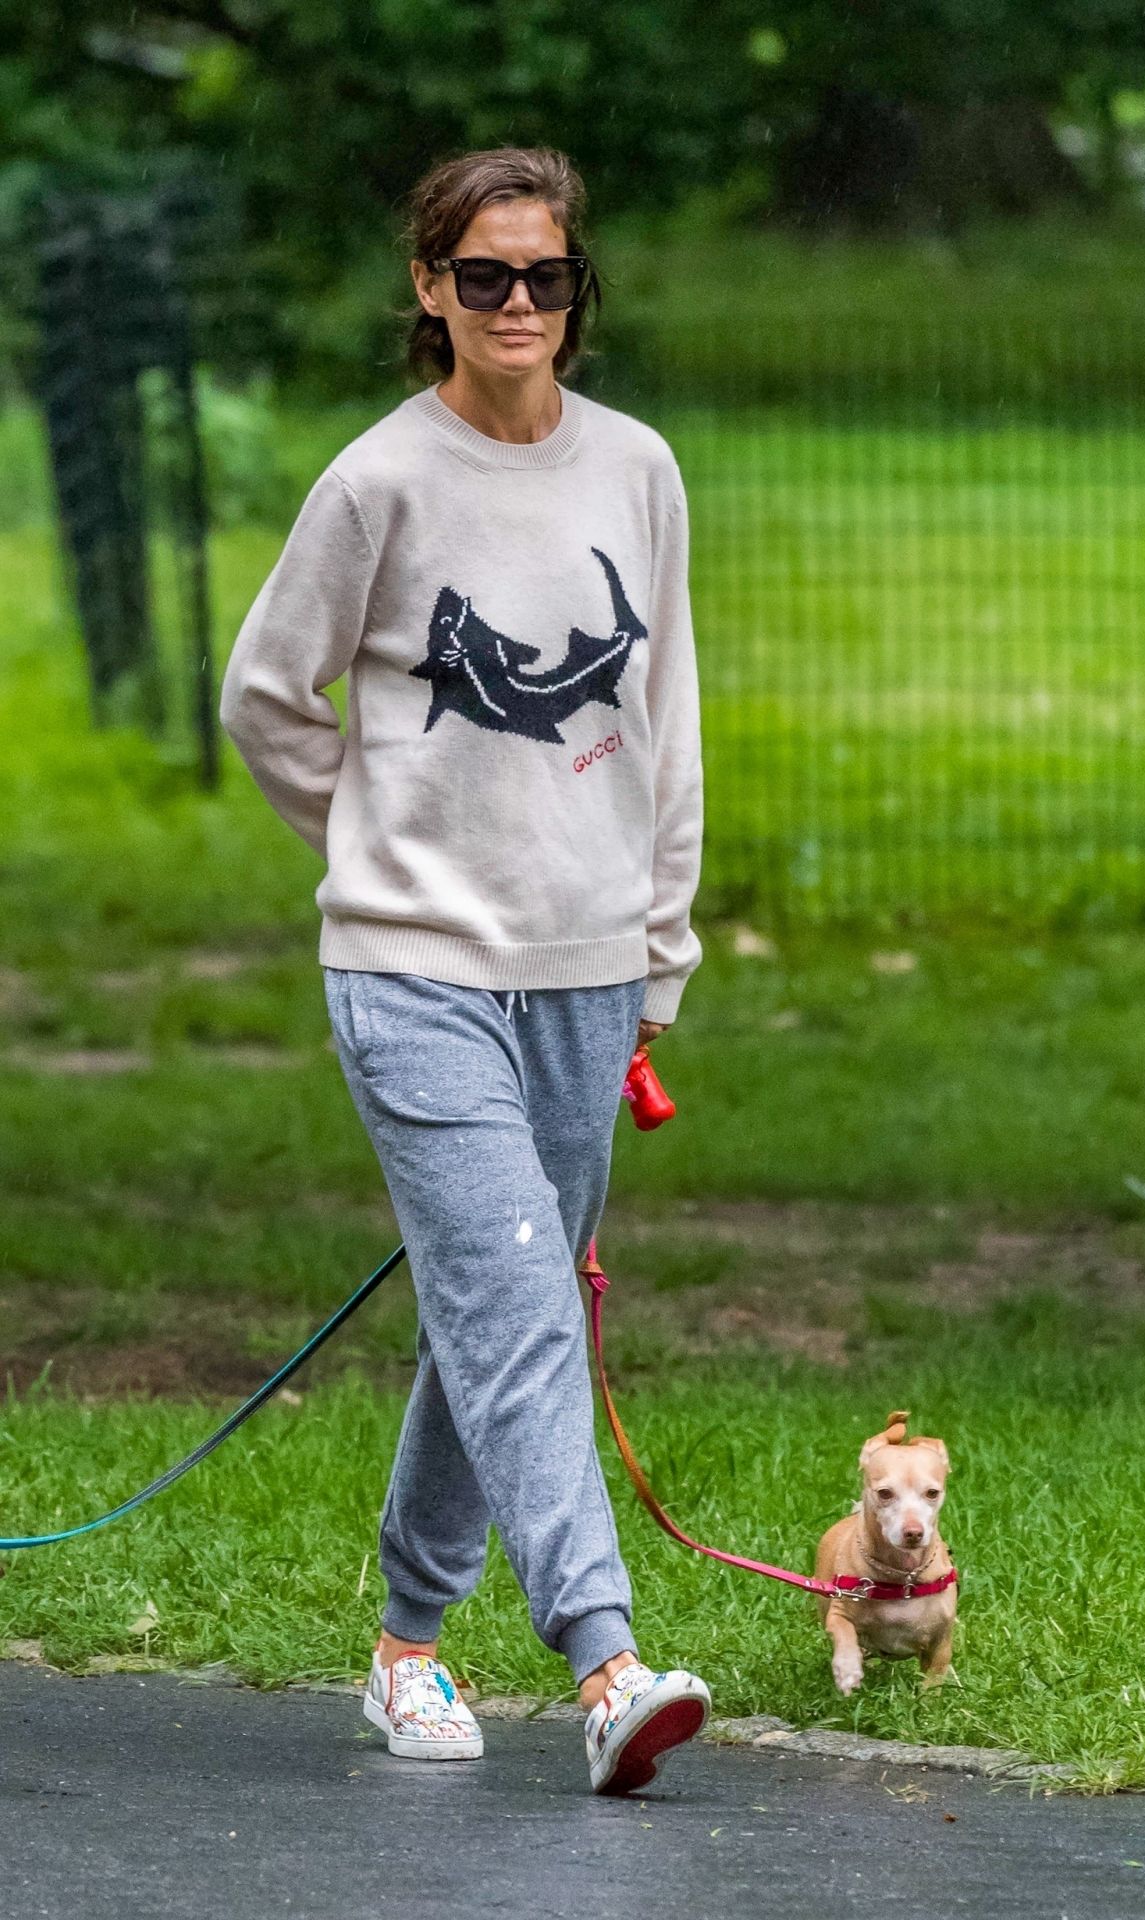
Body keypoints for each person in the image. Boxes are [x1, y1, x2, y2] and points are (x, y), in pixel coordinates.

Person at [218, 144, 710, 1796]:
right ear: (430, 287)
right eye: (483, 276)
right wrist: (377, 845)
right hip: (415, 967)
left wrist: (662, 951)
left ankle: (407, 1645)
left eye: (545, 277)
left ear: (577, 290)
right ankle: (607, 1661)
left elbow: (665, 725)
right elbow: (270, 699)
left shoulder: (639, 472)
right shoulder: (377, 484)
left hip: (587, 969)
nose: (517, 305)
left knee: (493, 1306)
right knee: (513, 1304)